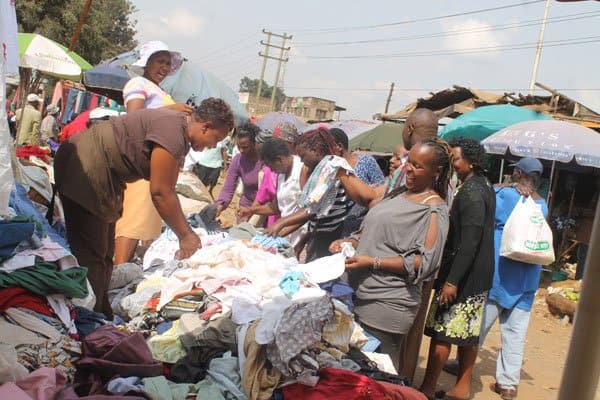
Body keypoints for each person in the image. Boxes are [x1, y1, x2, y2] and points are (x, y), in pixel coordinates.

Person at [54, 98, 234, 318]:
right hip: (86, 165)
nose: (214, 146)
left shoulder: (177, 124)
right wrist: (185, 235)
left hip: (99, 170)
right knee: (91, 252)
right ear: (205, 126)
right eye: (216, 139)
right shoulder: (174, 133)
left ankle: (99, 313)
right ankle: (84, 318)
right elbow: (161, 192)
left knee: (103, 254)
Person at [329, 136, 452, 372]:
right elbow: (371, 228)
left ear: (436, 172)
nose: (409, 169)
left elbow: (423, 264)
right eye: (409, 161)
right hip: (358, 293)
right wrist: (351, 240)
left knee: (379, 372)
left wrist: (372, 261)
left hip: (387, 303)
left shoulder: (434, 210)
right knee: (354, 370)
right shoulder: (398, 193)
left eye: (418, 166)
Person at [420, 138, 496, 400]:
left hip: (464, 275)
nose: (453, 164)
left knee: (442, 332)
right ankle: (461, 389)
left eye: (455, 159)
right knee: (467, 334)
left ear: (471, 161)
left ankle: (428, 387)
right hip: (477, 275)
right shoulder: (484, 184)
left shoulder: (472, 192)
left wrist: (451, 281)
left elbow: (470, 241)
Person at [114, 41, 194, 265]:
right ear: (147, 62)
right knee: (134, 217)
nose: (165, 68)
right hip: (140, 163)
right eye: (160, 62)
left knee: (144, 219)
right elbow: (133, 118)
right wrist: (173, 109)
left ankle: (124, 266)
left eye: (168, 63)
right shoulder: (137, 83)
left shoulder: (160, 90)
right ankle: (119, 267)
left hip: (154, 165)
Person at [478, 157, 549, 400]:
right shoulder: (542, 205)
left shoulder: (505, 196)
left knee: (478, 328)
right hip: (527, 282)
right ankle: (508, 385)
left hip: (499, 277)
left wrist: (501, 186)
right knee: (515, 335)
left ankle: (462, 366)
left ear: (517, 173)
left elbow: (486, 206)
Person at [266, 127, 377, 261]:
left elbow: (312, 209)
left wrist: (281, 223)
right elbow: (312, 212)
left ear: (316, 150)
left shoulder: (332, 166)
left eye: (303, 156)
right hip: (319, 233)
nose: (301, 161)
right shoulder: (321, 170)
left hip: (330, 234)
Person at [240, 138, 308, 248]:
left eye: (271, 166)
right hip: (284, 235)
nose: (271, 171)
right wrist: (251, 210)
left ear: (279, 160)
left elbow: (308, 210)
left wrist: (280, 227)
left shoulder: (302, 169)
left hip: (300, 237)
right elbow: (275, 207)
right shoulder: (281, 174)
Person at [330, 127, 385, 237]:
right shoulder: (331, 167)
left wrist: (365, 190)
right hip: (337, 227)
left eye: (327, 148)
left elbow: (382, 190)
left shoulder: (366, 162)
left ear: (339, 147)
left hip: (362, 226)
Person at [216, 122, 263, 223]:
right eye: (238, 147)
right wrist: (219, 206)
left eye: (245, 147)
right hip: (245, 207)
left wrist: (254, 210)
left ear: (255, 143)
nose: (241, 150)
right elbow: (228, 188)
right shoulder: (238, 160)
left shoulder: (266, 161)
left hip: (264, 210)